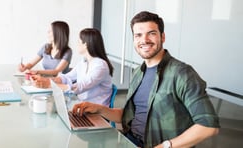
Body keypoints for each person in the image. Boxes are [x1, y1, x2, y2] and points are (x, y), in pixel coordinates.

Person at [72, 11, 220, 148]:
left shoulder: (182, 73)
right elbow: (131, 116)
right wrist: (99, 109)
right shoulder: (138, 72)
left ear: (162, 37)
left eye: (151, 33)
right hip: (129, 141)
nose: (145, 40)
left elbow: (208, 126)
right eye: (138, 35)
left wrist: (166, 146)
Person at [32, 28, 114, 107]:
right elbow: (67, 77)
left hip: (96, 113)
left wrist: (50, 85)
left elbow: (80, 87)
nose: (77, 44)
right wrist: (47, 80)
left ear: (86, 44)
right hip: (82, 106)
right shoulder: (84, 62)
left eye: (78, 41)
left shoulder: (101, 66)